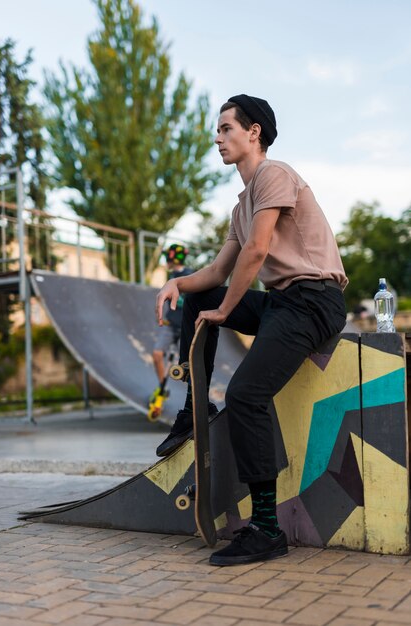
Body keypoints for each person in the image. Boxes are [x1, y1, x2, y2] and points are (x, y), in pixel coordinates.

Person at [155, 94, 348, 567]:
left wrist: (227, 312)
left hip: (314, 301)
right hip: (283, 303)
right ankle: (192, 408)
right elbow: (217, 275)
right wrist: (177, 282)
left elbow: (257, 252)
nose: (217, 137)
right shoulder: (242, 205)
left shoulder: (274, 174)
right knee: (199, 299)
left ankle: (266, 529)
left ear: (253, 131)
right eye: (217, 130)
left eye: (225, 128)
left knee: (246, 395)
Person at [150, 244, 193, 402]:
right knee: (157, 354)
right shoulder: (172, 276)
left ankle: (193, 396)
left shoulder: (190, 275)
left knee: (188, 362)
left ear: (173, 258)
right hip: (170, 324)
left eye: (167, 257)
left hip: (185, 327)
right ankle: (163, 387)